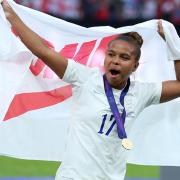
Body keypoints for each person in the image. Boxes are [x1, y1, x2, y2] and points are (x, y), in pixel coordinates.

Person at [1, 0, 180, 180]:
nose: (115, 61)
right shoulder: (85, 78)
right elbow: (43, 51)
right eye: (111, 54)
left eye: (124, 57)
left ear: (135, 66)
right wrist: (11, 15)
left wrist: (174, 45)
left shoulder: (142, 92)